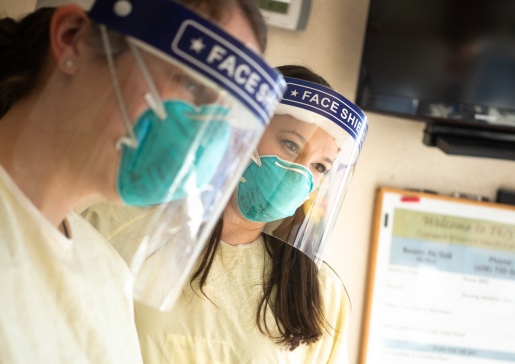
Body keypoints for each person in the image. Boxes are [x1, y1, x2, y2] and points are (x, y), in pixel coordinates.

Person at [0, 0, 283, 362]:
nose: (203, 136)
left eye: (223, 116)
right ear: (74, 40)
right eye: (194, 87)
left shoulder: (107, 271)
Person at [83, 64, 368, 363]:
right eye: (290, 144)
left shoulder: (320, 292)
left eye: (320, 166)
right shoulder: (109, 231)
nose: (300, 173)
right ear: (239, 133)